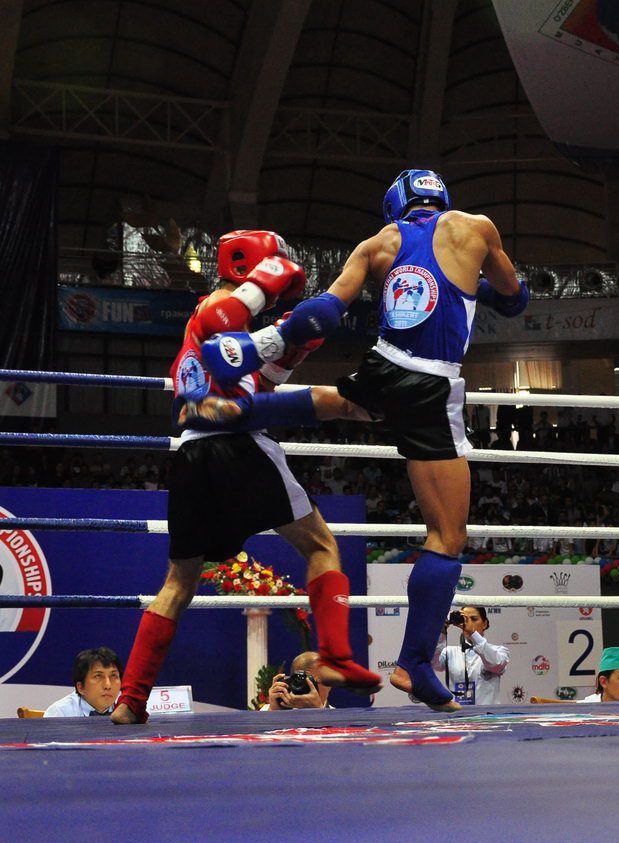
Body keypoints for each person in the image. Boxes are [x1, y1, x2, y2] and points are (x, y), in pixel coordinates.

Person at [200, 169, 526, 712]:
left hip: (383, 365)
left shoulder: (379, 243)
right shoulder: (476, 227)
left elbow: (327, 311)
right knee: (448, 535)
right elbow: (514, 299)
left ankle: (241, 402)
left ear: (397, 205)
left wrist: (271, 341)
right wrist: (480, 284)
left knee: (347, 402)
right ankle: (414, 662)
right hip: (430, 383)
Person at [111, 230, 382, 726]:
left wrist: (295, 344)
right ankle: (335, 657)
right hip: (238, 445)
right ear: (250, 267)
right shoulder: (216, 309)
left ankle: (131, 699)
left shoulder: (227, 346)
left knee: (179, 582)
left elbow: (264, 379)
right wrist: (268, 285)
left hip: (190, 455)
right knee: (321, 546)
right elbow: (223, 319)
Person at [432, 606, 509, 705]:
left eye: (473, 619)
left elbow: (495, 664)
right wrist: (441, 630)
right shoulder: (450, 652)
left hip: (487, 713)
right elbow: (433, 663)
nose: (468, 623)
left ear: (485, 624)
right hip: (458, 713)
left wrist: (473, 633)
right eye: (465, 619)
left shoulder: (499, 651)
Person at [44, 647, 122, 717]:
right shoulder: (60, 713)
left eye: (113, 675)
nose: (108, 685)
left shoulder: (125, 710)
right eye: (98, 676)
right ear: (80, 687)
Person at [260, 652, 333, 711]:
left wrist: (319, 711)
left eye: (314, 682)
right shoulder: (268, 711)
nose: (310, 687)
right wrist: (274, 712)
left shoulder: (336, 717)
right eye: (302, 681)